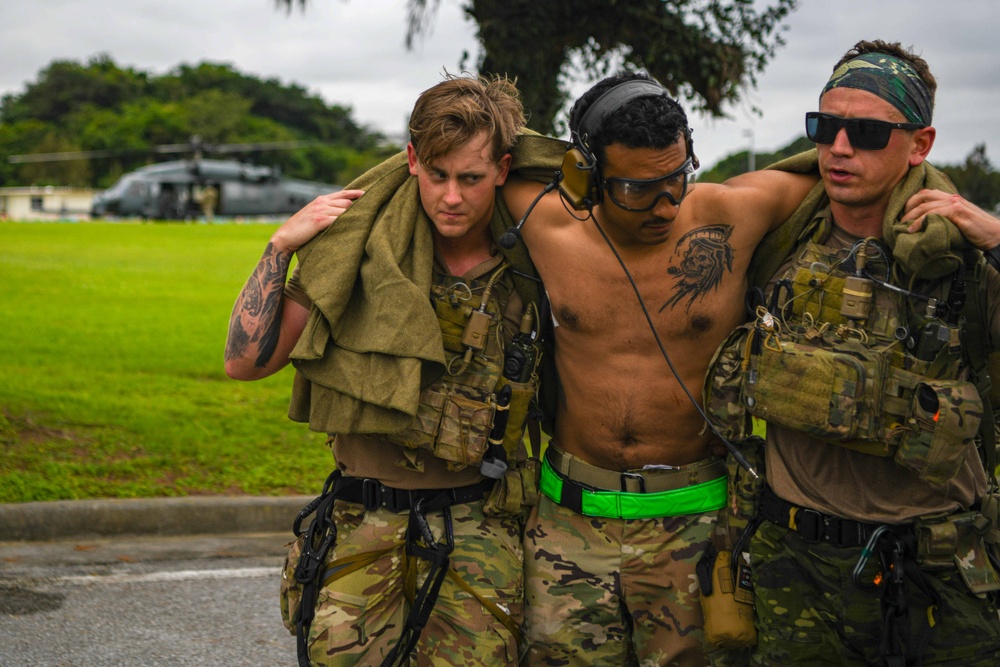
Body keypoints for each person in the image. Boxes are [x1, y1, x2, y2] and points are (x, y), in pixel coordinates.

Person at [224, 74, 562, 666]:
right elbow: (245, 363)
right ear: (411, 160)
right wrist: (279, 249)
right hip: (363, 519)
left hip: (479, 524)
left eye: (471, 178)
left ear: (504, 170)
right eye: (437, 175)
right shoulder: (356, 248)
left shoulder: (535, 263)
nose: (451, 197)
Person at [500, 72, 818, 666]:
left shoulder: (734, 213)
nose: (666, 204)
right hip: (569, 524)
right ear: (587, 176)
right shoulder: (543, 222)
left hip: (696, 531)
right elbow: (452, 169)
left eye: (678, 177)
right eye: (637, 189)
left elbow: (854, 176)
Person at [706, 40, 1000, 665]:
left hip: (936, 573)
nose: (839, 148)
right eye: (826, 126)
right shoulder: (778, 241)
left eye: (866, 132)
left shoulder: (965, 263)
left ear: (920, 144)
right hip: (798, 568)